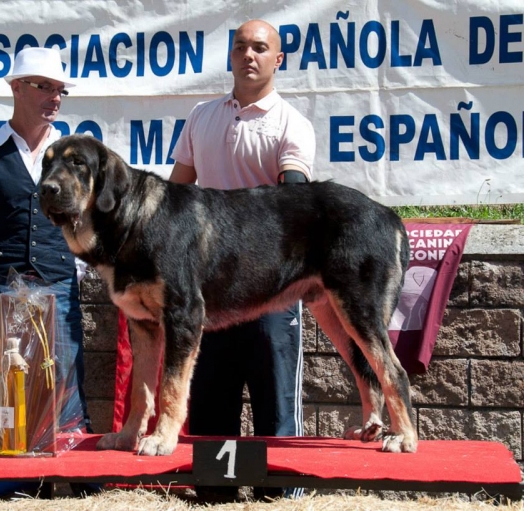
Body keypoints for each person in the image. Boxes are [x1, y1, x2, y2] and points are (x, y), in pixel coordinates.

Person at [170, 19, 316, 501]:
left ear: (278, 60)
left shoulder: (293, 123)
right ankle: (215, 495)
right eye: (240, 47)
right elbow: (177, 195)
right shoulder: (201, 116)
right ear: (229, 56)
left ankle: (280, 495)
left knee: (276, 404)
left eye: (260, 48)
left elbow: (291, 204)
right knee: (211, 400)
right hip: (210, 291)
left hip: (272, 288)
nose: (248, 55)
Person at [0, 47, 92, 461]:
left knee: (65, 395)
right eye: (44, 86)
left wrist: (69, 275)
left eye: (60, 89)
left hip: (58, 286)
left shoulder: (74, 156)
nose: (55, 97)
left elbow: (86, 228)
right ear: (17, 88)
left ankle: (72, 492)